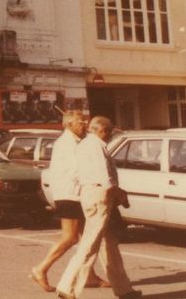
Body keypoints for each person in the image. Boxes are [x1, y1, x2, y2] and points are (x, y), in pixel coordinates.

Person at [54, 116, 141, 299]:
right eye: (109, 131)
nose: (110, 135)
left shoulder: (85, 145)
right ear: (102, 130)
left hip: (92, 194)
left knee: (109, 245)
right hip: (99, 195)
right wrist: (120, 195)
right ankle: (66, 287)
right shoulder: (96, 146)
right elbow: (105, 178)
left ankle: (124, 289)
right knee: (89, 245)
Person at [30, 111, 105, 292]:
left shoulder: (76, 141)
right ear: (69, 124)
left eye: (85, 120)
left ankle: (89, 276)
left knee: (85, 239)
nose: (85, 124)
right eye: (81, 121)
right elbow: (78, 170)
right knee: (70, 237)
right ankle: (40, 269)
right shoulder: (66, 144)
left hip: (75, 195)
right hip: (69, 195)